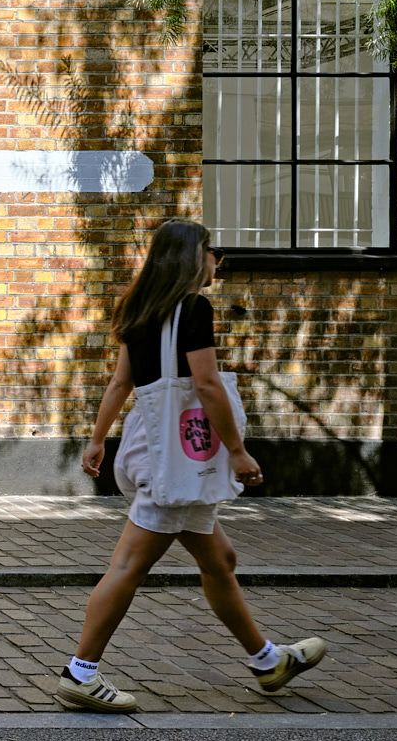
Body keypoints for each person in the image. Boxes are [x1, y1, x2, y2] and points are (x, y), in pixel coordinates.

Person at [56, 217, 327, 712]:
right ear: (192, 257)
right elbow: (206, 384)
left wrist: (98, 440)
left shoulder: (138, 308)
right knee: (128, 566)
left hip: (154, 445)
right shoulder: (193, 309)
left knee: (219, 560)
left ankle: (268, 661)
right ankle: (81, 673)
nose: (216, 261)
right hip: (179, 457)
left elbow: (120, 383)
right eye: (211, 251)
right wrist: (238, 450)